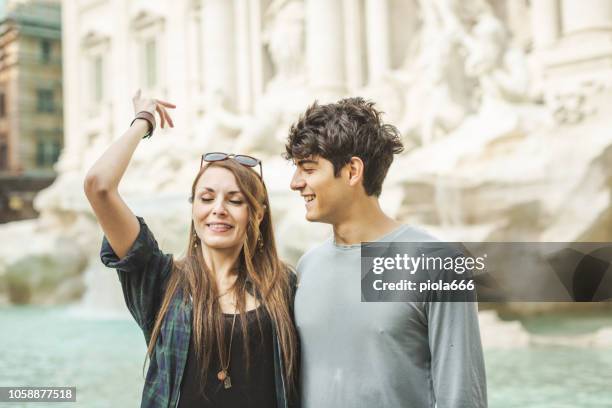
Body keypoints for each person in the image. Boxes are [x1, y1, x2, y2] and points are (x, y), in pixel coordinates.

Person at [84, 90, 299, 408]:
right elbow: (98, 186)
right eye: (207, 197)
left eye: (235, 200)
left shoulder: (284, 284)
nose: (219, 209)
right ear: (194, 209)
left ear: (257, 214)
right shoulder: (160, 279)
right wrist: (144, 120)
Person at [284, 97, 487, 408]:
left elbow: (461, 397)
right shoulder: (308, 266)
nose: (295, 183)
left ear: (352, 171)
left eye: (308, 168)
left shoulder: (439, 263)